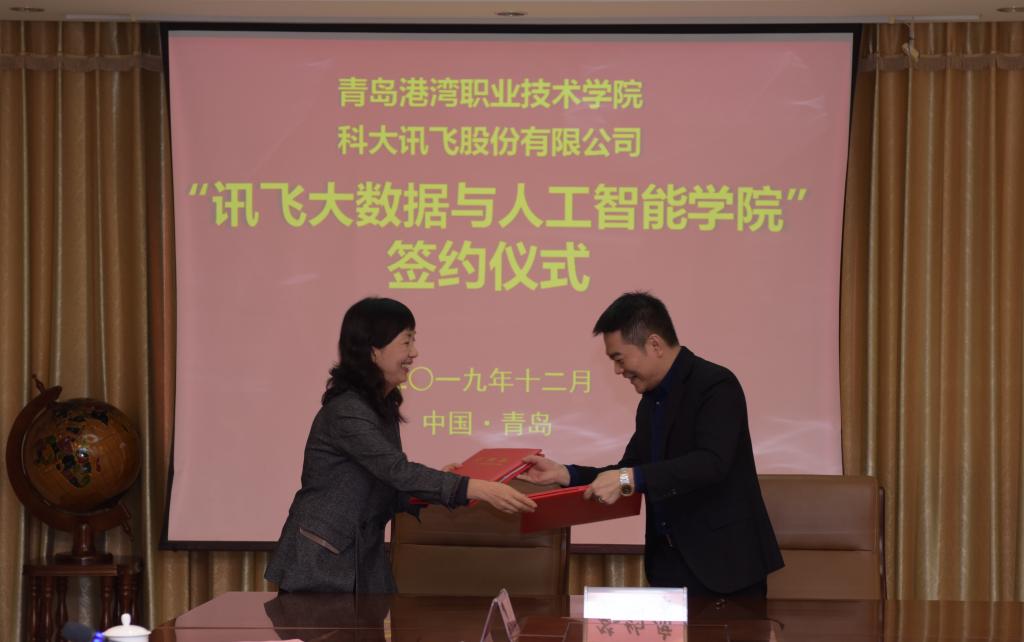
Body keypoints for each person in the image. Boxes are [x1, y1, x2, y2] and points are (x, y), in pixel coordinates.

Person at [265, 297, 536, 593]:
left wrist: (431, 490)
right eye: (407, 342)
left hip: (359, 561)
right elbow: (398, 471)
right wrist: (476, 487)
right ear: (373, 350)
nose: (414, 353)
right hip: (322, 562)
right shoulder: (347, 411)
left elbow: (386, 483)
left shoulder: (379, 406)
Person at [521, 292, 783, 597]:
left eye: (619, 359)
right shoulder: (651, 402)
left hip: (725, 568)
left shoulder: (716, 385)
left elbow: (711, 462)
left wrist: (630, 478)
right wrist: (565, 474)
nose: (617, 370)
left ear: (654, 345)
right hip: (668, 567)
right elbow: (629, 470)